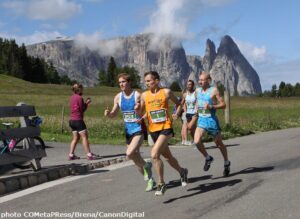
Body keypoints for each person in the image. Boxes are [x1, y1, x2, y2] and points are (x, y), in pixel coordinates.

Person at [104, 73, 155, 192]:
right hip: (128, 131)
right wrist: (108, 114)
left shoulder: (137, 95)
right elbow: (114, 114)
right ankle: (150, 180)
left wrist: (141, 116)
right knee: (135, 158)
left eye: (123, 82)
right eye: (120, 82)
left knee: (130, 153)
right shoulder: (118, 97)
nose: (121, 84)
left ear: (129, 82)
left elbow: (146, 110)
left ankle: (147, 165)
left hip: (138, 129)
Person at [140, 71, 188, 196]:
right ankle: (182, 171)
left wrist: (177, 113)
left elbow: (179, 104)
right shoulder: (144, 95)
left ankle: (161, 184)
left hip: (166, 128)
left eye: (149, 81)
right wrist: (139, 112)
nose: (147, 83)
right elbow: (141, 111)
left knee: (154, 155)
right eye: (145, 81)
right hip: (153, 130)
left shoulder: (166, 92)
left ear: (156, 81)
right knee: (168, 158)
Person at [194, 72, 231, 177]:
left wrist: (212, 107)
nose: (200, 82)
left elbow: (223, 105)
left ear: (208, 80)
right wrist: (197, 109)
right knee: (196, 141)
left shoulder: (214, 90)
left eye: (203, 80)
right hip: (201, 120)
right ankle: (207, 157)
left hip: (211, 120)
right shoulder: (197, 91)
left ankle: (226, 162)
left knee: (218, 143)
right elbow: (197, 101)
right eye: (199, 79)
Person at [68, 83, 101, 160]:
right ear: (79, 90)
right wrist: (87, 103)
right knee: (84, 137)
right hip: (78, 120)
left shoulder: (72, 97)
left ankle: (71, 154)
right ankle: (89, 155)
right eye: (82, 89)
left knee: (75, 138)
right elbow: (82, 109)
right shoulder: (80, 98)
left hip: (71, 120)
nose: (83, 90)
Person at [181, 80, 197, 145]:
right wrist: (184, 110)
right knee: (189, 128)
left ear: (193, 85)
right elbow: (183, 103)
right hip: (188, 113)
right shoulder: (185, 94)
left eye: (190, 84)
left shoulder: (195, 93)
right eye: (187, 84)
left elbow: (198, 102)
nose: (188, 86)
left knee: (191, 127)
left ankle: (196, 140)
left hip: (194, 113)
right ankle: (192, 141)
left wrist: (197, 110)